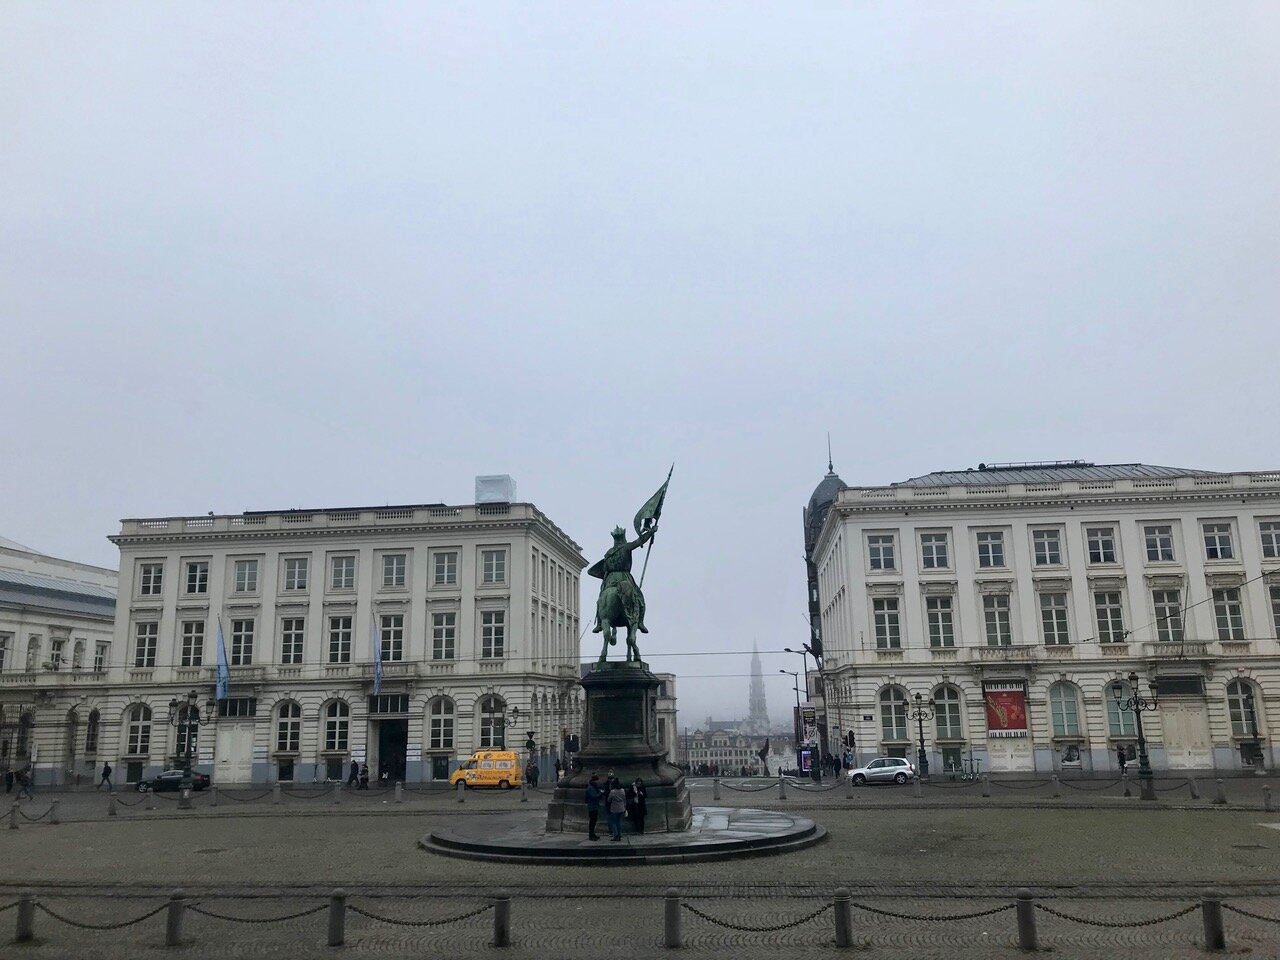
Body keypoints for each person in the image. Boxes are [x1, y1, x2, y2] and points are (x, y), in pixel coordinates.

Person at [585, 774, 603, 840]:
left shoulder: (592, 787)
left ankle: (592, 834)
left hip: (594, 806)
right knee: (592, 821)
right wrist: (600, 793)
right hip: (592, 807)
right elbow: (594, 796)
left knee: (593, 821)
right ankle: (591, 835)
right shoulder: (591, 788)